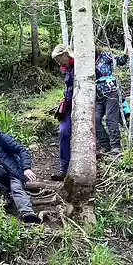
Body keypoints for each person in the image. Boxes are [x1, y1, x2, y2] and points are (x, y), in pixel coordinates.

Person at [95, 48, 128, 155]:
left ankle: (115, 146)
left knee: (110, 118)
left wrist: (127, 47)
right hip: (96, 96)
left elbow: (121, 60)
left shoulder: (104, 56)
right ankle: (105, 145)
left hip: (111, 92)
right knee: (95, 119)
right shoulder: (83, 62)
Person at [51, 44, 74, 181]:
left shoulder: (81, 66)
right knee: (64, 133)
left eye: (59, 59)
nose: (58, 63)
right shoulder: (67, 69)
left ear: (66, 54)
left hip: (83, 106)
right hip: (69, 105)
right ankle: (64, 169)